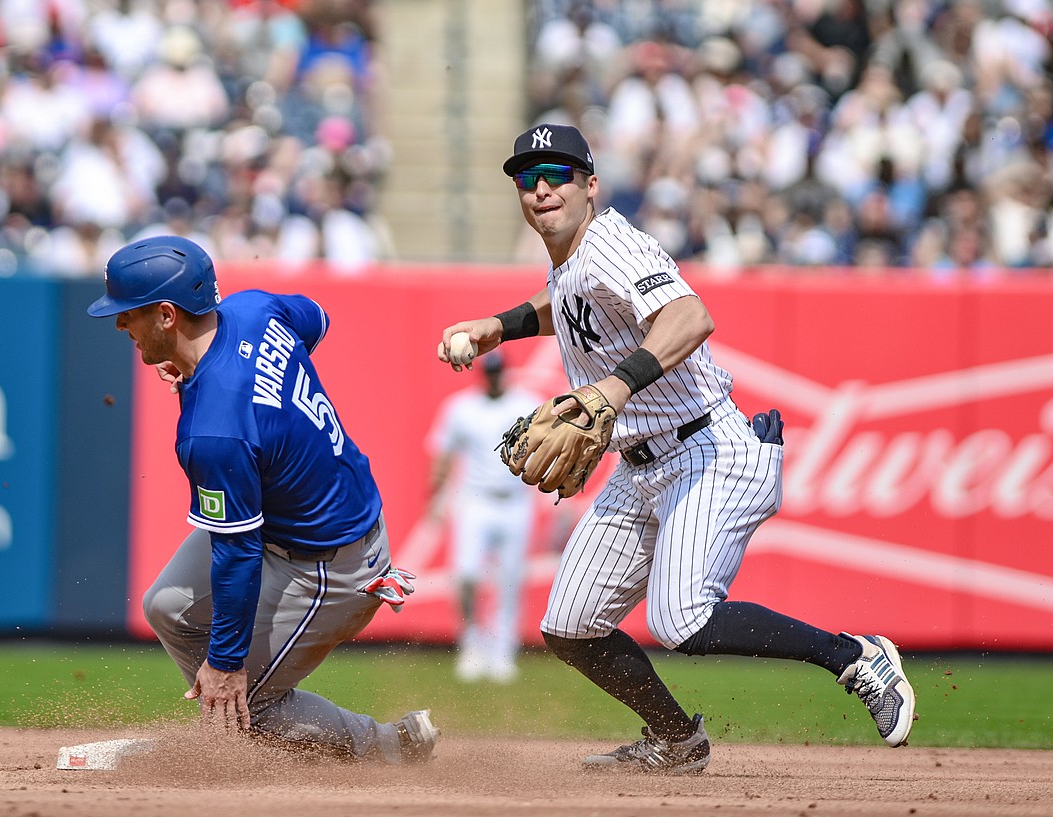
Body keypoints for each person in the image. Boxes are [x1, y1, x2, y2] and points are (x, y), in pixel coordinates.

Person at [436, 124, 915, 774]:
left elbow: (691, 317)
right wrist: (501, 325)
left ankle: (856, 655)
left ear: (591, 185)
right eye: (528, 177)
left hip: (707, 449)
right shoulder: (575, 258)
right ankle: (675, 739)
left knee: (680, 618)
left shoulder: (611, 242)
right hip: (640, 469)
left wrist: (612, 386)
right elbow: (567, 300)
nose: (543, 187)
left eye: (558, 174)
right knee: (569, 625)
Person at [89, 235, 438, 763]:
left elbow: (237, 554)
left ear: (166, 315)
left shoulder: (215, 430)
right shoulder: (253, 308)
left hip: (330, 566)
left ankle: (390, 746)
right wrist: (237, 378)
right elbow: (315, 319)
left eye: (128, 313)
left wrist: (227, 665)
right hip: (303, 526)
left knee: (246, 693)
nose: (120, 324)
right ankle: (239, 729)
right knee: (165, 607)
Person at [425, 351, 540, 683]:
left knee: (509, 580)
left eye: (498, 371)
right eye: (489, 372)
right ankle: (472, 642)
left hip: (516, 500)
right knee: (466, 575)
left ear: (506, 371)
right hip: (474, 499)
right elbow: (444, 452)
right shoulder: (462, 407)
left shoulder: (526, 404)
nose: (493, 377)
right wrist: (434, 497)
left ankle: (503, 652)